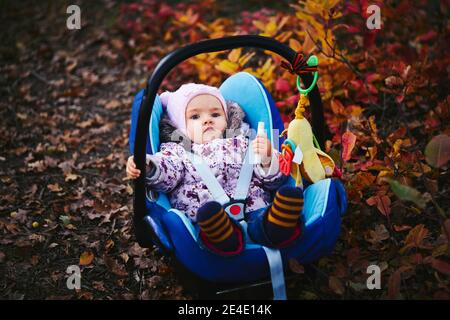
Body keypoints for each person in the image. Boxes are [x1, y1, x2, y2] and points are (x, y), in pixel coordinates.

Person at [127, 83, 304, 255]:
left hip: (254, 208)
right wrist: (148, 165)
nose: (207, 120)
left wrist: (267, 159)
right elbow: (168, 174)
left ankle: (276, 226)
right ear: (179, 126)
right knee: (208, 226)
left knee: (263, 218)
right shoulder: (177, 151)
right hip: (207, 218)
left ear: (227, 118)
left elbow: (272, 181)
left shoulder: (243, 142)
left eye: (215, 114)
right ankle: (225, 237)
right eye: (195, 117)